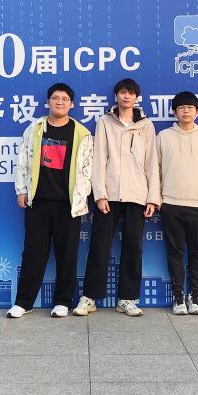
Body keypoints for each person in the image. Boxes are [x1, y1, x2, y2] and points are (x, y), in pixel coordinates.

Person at [74, 78, 159, 319]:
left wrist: (152, 197)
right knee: (99, 246)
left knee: (133, 247)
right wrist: (100, 194)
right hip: (109, 195)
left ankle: (127, 299)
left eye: (131, 93)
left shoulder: (146, 125)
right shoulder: (105, 121)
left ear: (136, 97)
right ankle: (89, 297)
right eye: (123, 92)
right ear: (116, 96)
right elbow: (99, 159)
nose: (126, 96)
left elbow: (152, 162)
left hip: (137, 194)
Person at [8, 83, 93, 319]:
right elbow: (23, 161)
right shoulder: (35, 129)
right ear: (48, 102)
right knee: (33, 253)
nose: (59, 102)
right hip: (38, 202)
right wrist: (21, 190)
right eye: (55, 98)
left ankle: (63, 301)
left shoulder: (82, 133)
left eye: (65, 99)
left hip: (68, 205)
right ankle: (23, 302)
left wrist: (82, 194)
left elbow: (87, 169)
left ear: (72, 104)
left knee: (67, 254)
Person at [157, 91, 198, 316]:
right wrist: (159, 199)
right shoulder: (163, 136)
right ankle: (178, 298)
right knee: (174, 252)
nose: (185, 111)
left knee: (197, 253)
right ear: (175, 112)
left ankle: (195, 297)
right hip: (170, 203)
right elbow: (155, 170)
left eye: (190, 107)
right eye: (181, 107)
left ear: (197, 112)